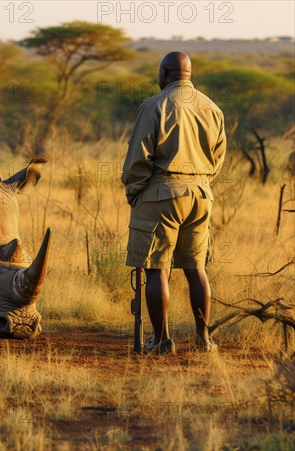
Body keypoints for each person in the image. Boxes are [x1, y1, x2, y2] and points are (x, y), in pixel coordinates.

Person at [121, 51, 226, 354]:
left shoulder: (154, 105)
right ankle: (204, 339)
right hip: (201, 194)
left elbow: (138, 159)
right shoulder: (212, 108)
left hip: (162, 193)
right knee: (196, 268)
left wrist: (136, 193)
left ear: (165, 74)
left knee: (156, 268)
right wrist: (201, 183)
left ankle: (162, 339)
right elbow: (218, 157)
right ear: (189, 73)